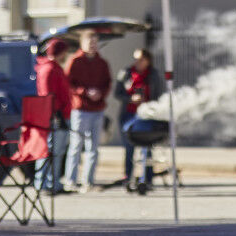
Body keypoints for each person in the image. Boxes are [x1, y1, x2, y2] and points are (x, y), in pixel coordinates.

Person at [63, 31, 112, 193]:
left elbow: (107, 82)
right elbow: (68, 83)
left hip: (97, 109)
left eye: (95, 42)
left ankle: (88, 181)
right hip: (80, 109)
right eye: (90, 42)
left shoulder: (102, 63)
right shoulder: (75, 61)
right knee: (76, 145)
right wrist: (84, 92)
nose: (93, 45)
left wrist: (100, 94)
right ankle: (71, 180)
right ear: (83, 44)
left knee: (93, 147)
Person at [114, 49, 163, 189]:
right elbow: (118, 93)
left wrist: (148, 104)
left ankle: (147, 178)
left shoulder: (153, 75)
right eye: (135, 59)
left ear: (147, 60)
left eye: (140, 59)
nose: (137, 62)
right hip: (128, 115)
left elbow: (158, 95)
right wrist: (130, 99)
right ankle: (128, 177)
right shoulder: (126, 73)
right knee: (129, 148)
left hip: (146, 115)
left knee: (147, 148)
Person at [35, 39, 72, 193]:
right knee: (50, 151)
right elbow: (47, 95)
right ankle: (45, 183)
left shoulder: (55, 68)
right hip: (54, 116)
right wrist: (56, 114)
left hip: (60, 114)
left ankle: (53, 182)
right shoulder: (48, 69)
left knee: (56, 152)